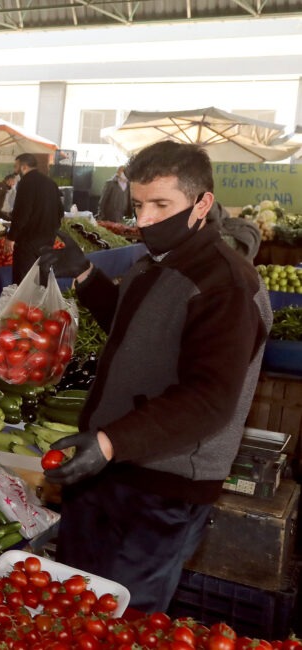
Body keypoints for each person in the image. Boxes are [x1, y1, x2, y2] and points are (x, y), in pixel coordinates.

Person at [36, 141, 271, 613]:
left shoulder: (226, 284)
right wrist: (85, 276)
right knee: (73, 609)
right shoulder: (157, 261)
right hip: (111, 467)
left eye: (161, 205)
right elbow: (134, 332)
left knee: (123, 619)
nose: (143, 220)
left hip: (162, 490)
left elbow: (209, 398)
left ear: (202, 203)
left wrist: (106, 443)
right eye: (139, 204)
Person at [7, 153, 62, 284]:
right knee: (42, 280)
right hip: (48, 240)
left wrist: (11, 237)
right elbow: (60, 211)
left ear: (24, 167)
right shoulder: (51, 183)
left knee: (24, 282)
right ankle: (39, 304)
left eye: (16, 167)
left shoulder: (26, 183)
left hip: (28, 242)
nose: (15, 171)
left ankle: (23, 305)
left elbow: (22, 213)